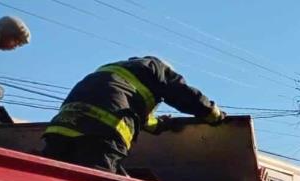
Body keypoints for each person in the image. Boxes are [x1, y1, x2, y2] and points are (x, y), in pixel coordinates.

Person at [42, 56, 226, 174]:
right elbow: (181, 93)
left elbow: (140, 118)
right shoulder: (156, 68)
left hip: (61, 127)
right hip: (101, 134)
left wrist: (161, 125)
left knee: (54, 176)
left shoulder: (117, 72)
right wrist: (212, 113)